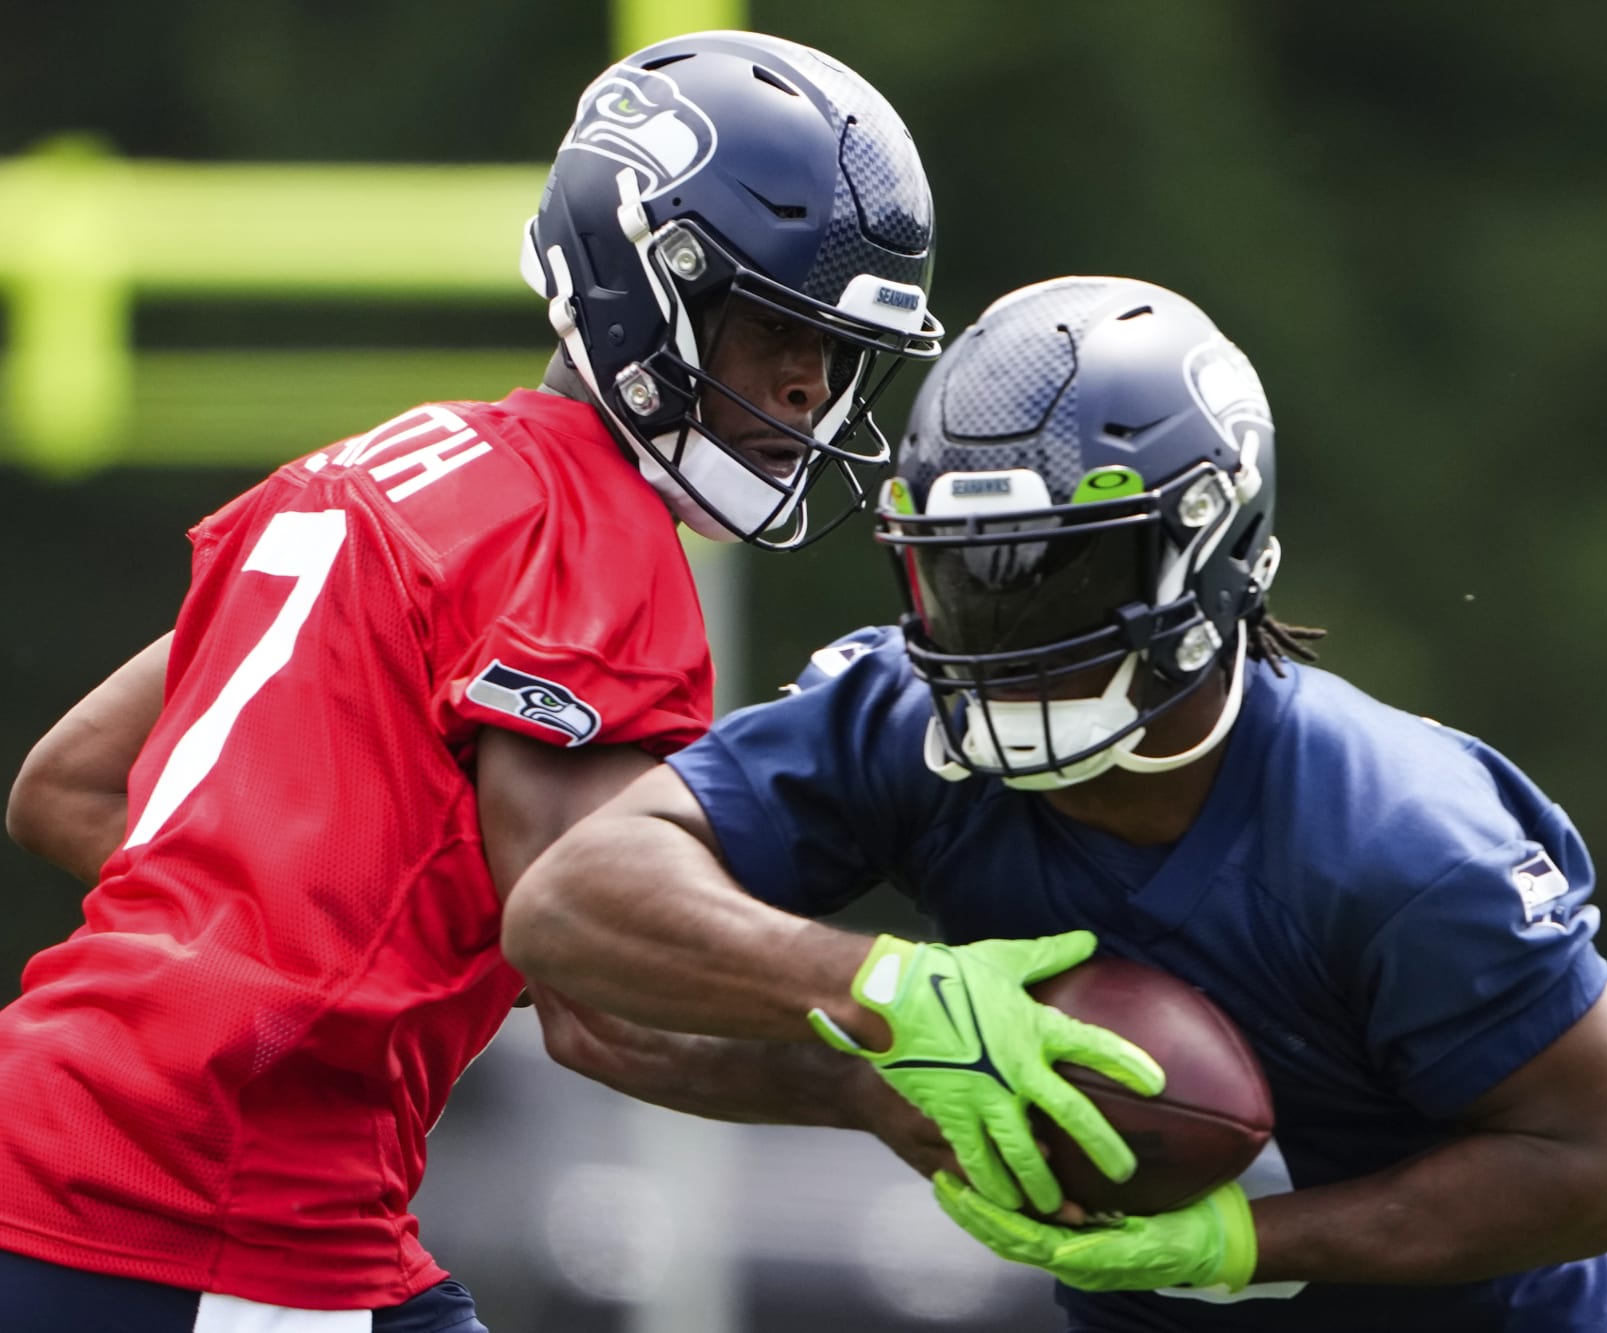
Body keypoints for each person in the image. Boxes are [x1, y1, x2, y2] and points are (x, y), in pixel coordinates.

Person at [0, 29, 1096, 1330]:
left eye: (837, 356)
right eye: (773, 334)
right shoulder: (590, 539)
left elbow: (67, 786)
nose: (809, 387)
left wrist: (338, 932)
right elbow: (596, 981)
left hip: (58, 1147)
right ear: (649, 286)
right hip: (201, 1216)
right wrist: (886, 1042)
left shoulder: (379, 468)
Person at [502, 276, 1607, 1331]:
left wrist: (1237, 1242)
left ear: (1210, 552)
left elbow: (1597, 1166)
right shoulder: (905, 729)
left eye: (1066, 573)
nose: (1007, 640)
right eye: (966, 576)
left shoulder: (1399, 840)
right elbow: (578, 921)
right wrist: (884, 1021)